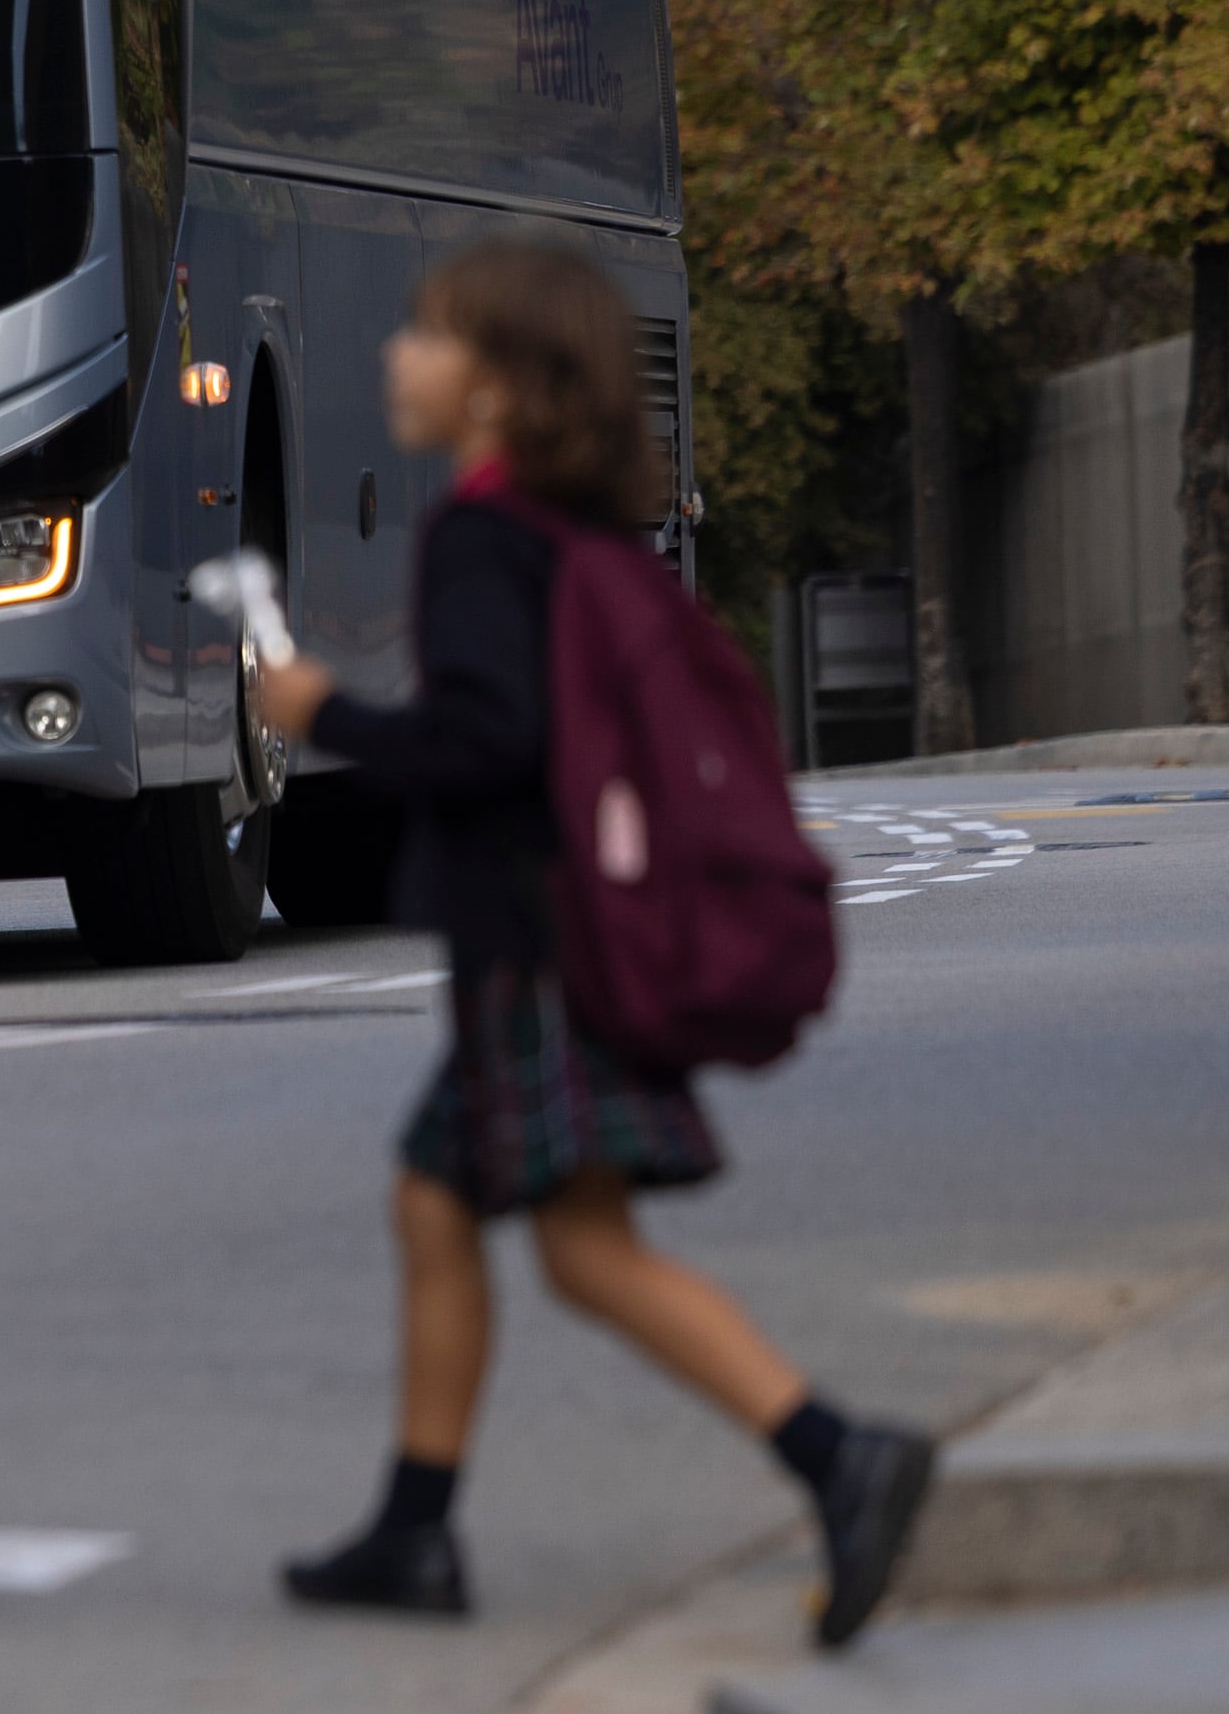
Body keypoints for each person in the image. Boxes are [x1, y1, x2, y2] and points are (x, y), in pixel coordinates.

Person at [246, 240, 937, 1648]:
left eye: (430, 337)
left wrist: (325, 717)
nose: (399, 356)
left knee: (584, 1254)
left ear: (499, 390)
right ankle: (416, 1527)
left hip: (538, 951)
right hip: (560, 941)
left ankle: (834, 1454)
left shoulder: (483, 542)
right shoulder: (574, 541)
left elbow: (493, 744)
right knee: (437, 1205)